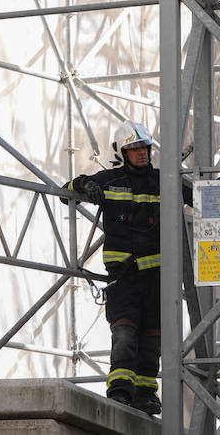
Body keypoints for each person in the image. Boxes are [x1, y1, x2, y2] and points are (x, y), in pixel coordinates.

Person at [61, 121, 161, 415]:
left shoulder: (164, 179)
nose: (141, 153)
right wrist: (85, 185)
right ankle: (120, 391)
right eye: (134, 148)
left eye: (144, 147)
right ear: (122, 152)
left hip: (157, 276)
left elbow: (199, 193)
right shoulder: (109, 179)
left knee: (153, 338)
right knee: (125, 334)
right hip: (124, 277)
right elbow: (66, 188)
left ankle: (145, 393)